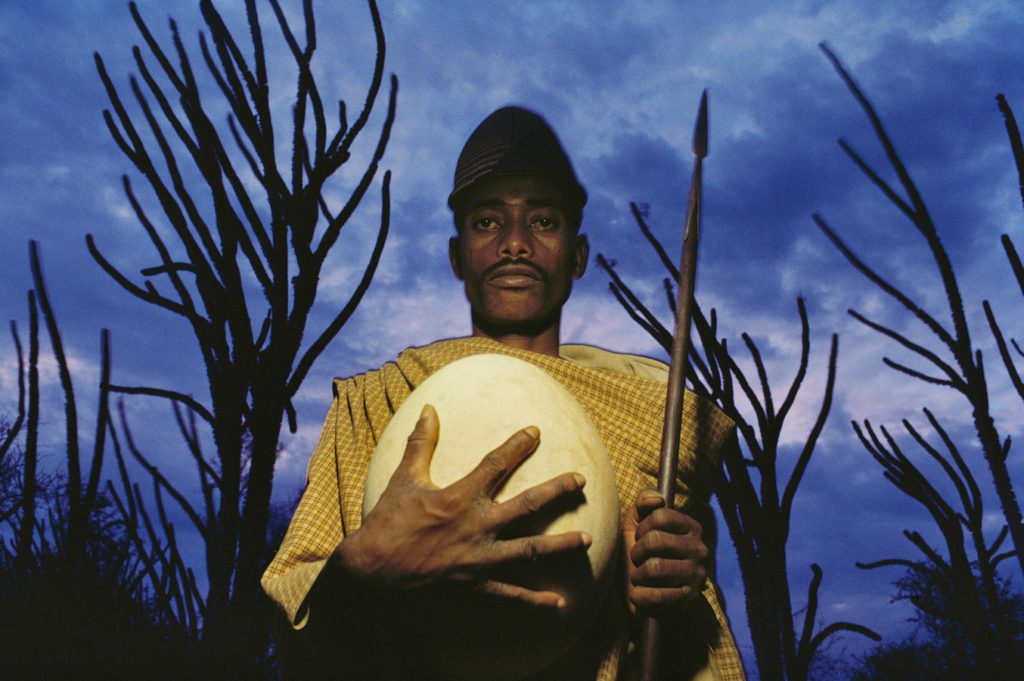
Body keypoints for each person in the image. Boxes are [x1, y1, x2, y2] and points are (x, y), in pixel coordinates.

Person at [263, 106, 745, 680]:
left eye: (543, 220)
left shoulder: (652, 417)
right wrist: (366, 570)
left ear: (578, 256)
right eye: (488, 222)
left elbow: (677, 650)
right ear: (457, 256)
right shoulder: (379, 403)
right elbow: (296, 643)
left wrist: (672, 591)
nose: (515, 243)